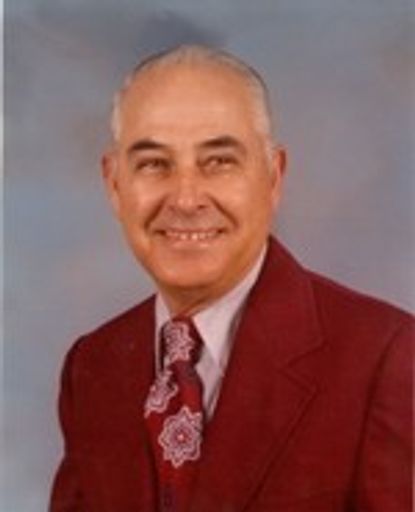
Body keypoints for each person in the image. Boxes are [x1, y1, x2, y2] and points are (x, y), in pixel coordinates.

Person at [50, 45, 413, 512]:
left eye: (219, 161)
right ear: (114, 184)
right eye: (154, 164)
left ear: (273, 176)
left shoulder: (387, 357)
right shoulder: (93, 366)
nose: (185, 199)